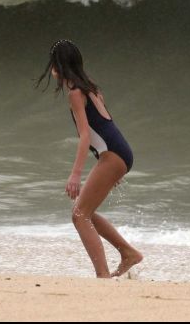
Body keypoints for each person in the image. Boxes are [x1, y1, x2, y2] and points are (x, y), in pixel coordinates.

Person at [36, 39, 142, 278]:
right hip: (118, 151)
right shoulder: (91, 88)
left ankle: (102, 275)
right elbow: (103, 129)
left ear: (58, 66)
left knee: (79, 215)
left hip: (113, 155)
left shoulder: (75, 94)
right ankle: (127, 253)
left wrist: (76, 174)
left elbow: (85, 136)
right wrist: (113, 166)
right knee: (86, 209)